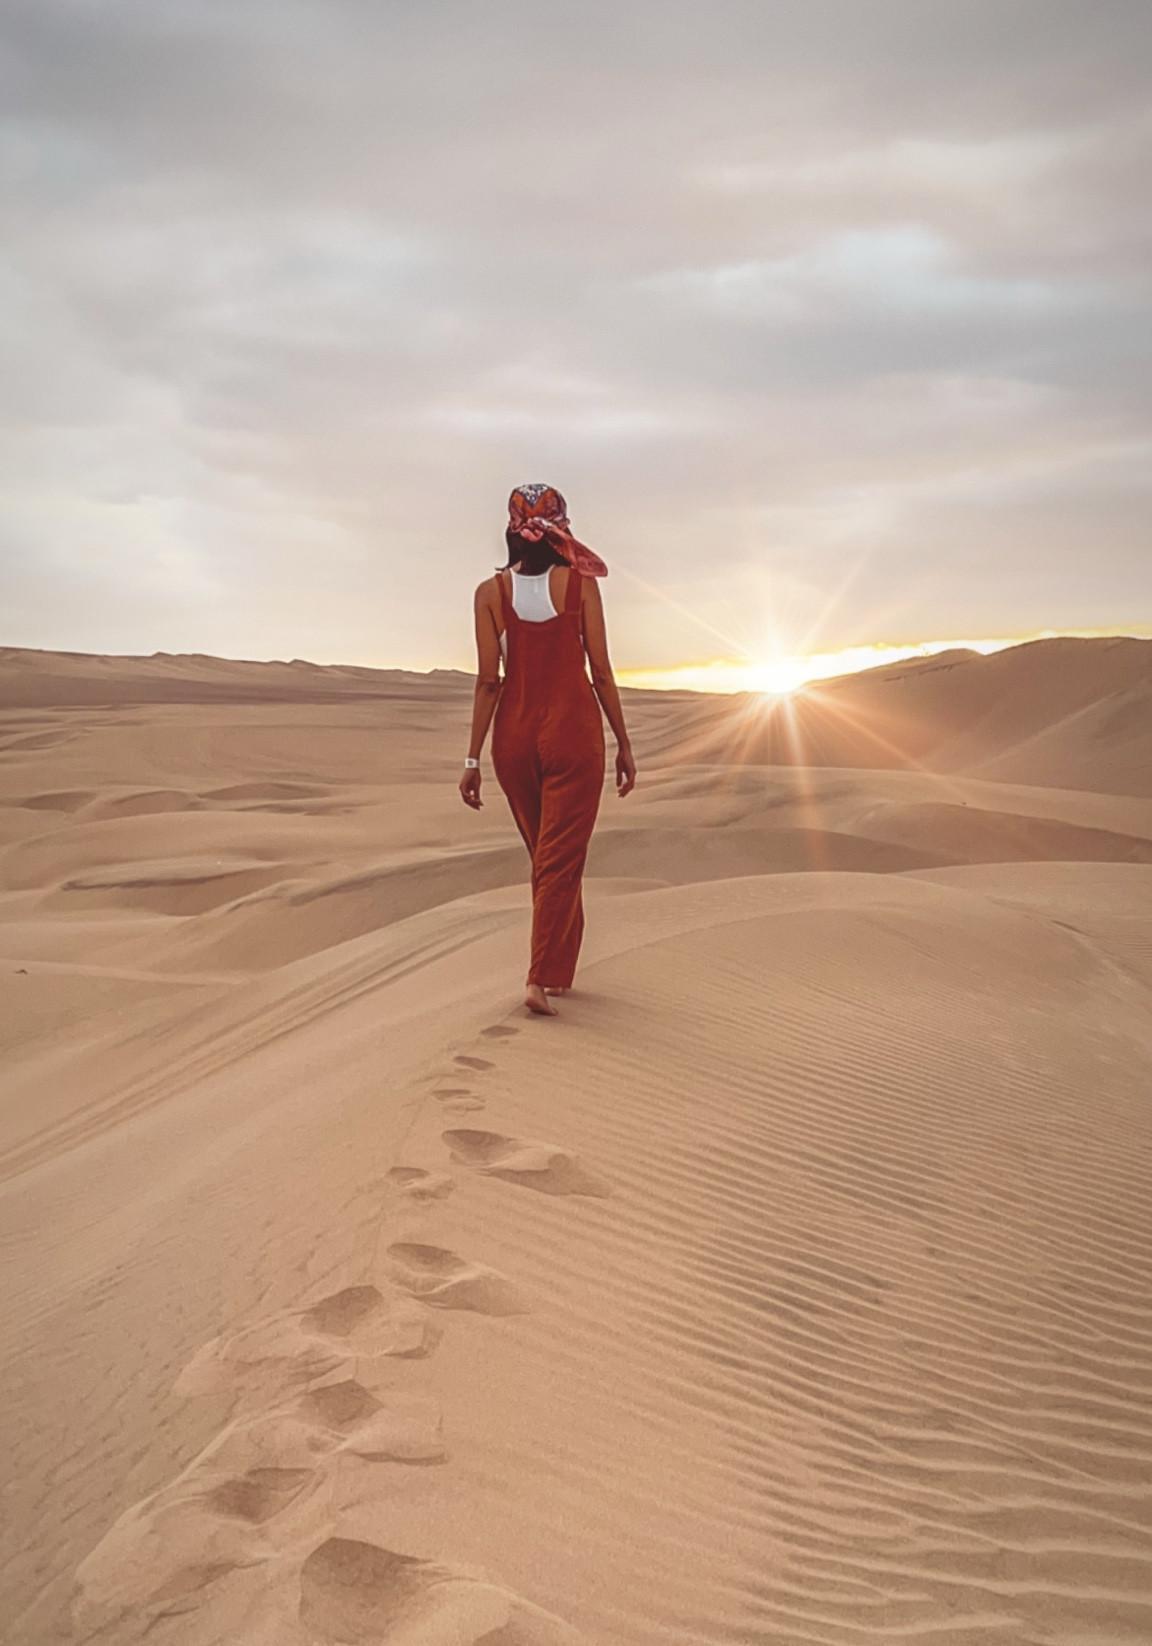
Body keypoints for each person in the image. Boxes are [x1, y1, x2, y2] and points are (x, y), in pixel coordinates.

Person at [460, 484, 636, 1016]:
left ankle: (557, 971)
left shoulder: (489, 594)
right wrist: (624, 743)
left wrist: (471, 760)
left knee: (547, 858)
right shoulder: (579, 585)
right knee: (560, 859)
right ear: (560, 526)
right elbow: (600, 671)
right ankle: (539, 977)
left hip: (512, 740)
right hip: (573, 734)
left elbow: (488, 681)